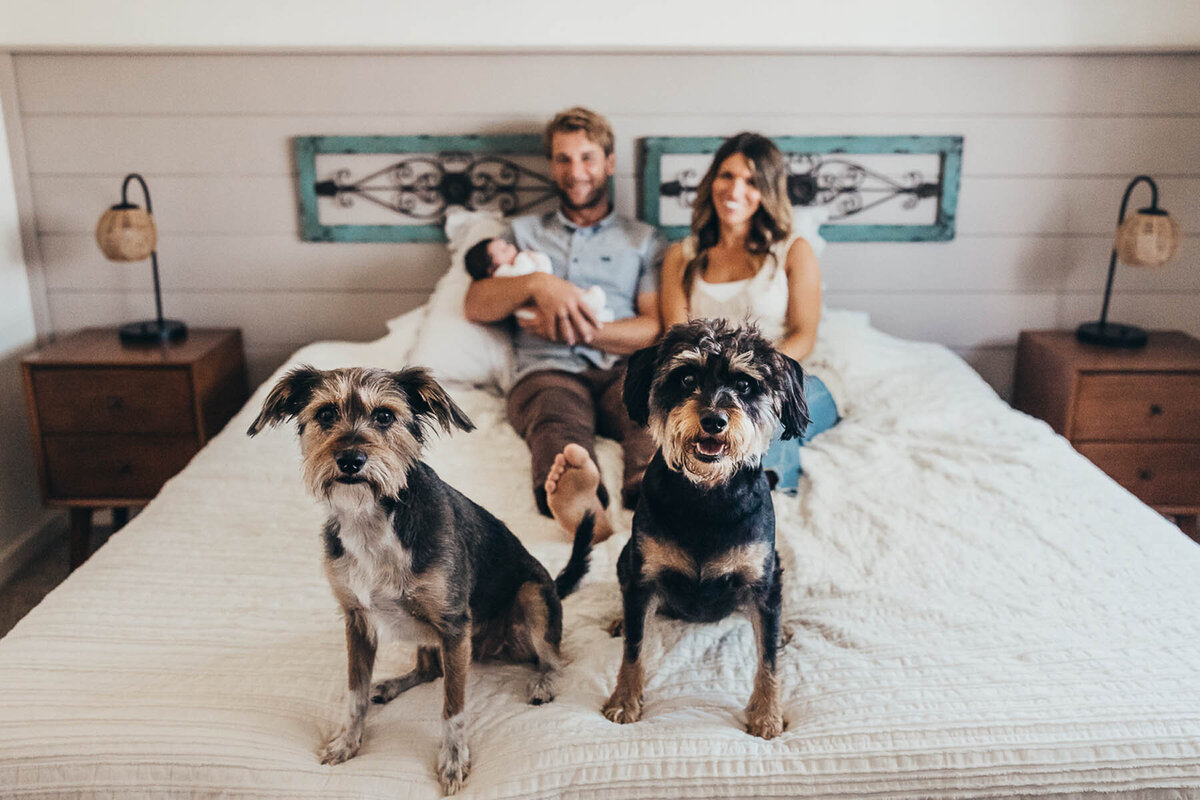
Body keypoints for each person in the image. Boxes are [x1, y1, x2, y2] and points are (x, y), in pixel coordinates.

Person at [464, 107, 665, 541]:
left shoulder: (643, 240)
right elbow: (476, 305)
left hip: (620, 366)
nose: (576, 172)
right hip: (546, 370)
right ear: (552, 165)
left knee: (649, 410)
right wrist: (540, 284)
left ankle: (654, 491)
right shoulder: (520, 234)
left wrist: (580, 327)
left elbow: (652, 329)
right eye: (563, 159)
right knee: (554, 419)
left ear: (610, 163)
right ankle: (578, 499)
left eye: (587, 157)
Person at [659, 132, 841, 492]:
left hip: (792, 377)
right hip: (714, 385)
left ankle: (770, 498)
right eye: (727, 176)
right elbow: (676, 339)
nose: (735, 190)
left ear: (768, 191)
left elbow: (804, 334)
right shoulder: (682, 257)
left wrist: (760, 382)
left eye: (752, 181)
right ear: (713, 181)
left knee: (768, 426)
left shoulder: (793, 250)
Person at [463, 236, 613, 322]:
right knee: (570, 307)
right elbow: (536, 276)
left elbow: (543, 275)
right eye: (504, 250)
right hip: (536, 310)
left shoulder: (511, 267)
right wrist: (528, 258)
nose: (512, 247)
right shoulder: (503, 275)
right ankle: (594, 307)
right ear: (492, 268)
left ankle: (597, 312)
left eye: (507, 244)